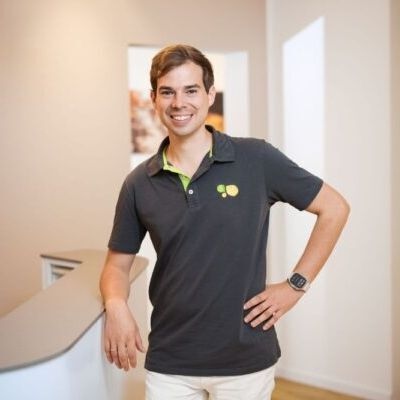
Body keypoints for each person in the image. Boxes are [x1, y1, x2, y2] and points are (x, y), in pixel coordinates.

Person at [100, 44, 350, 400]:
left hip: (245, 361)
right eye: (167, 92)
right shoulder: (139, 183)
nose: (179, 103)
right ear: (154, 99)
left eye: (191, 90)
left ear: (209, 95)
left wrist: (296, 285)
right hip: (171, 360)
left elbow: (335, 208)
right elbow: (116, 266)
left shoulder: (256, 158)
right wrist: (116, 304)